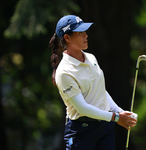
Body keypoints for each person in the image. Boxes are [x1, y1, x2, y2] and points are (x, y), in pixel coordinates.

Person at [49, 15, 137, 150]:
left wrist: (120, 112)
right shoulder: (64, 72)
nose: (86, 36)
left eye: (85, 32)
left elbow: (100, 91)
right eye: (81, 33)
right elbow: (83, 108)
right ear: (67, 38)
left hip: (105, 127)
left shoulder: (91, 58)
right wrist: (116, 117)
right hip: (81, 131)